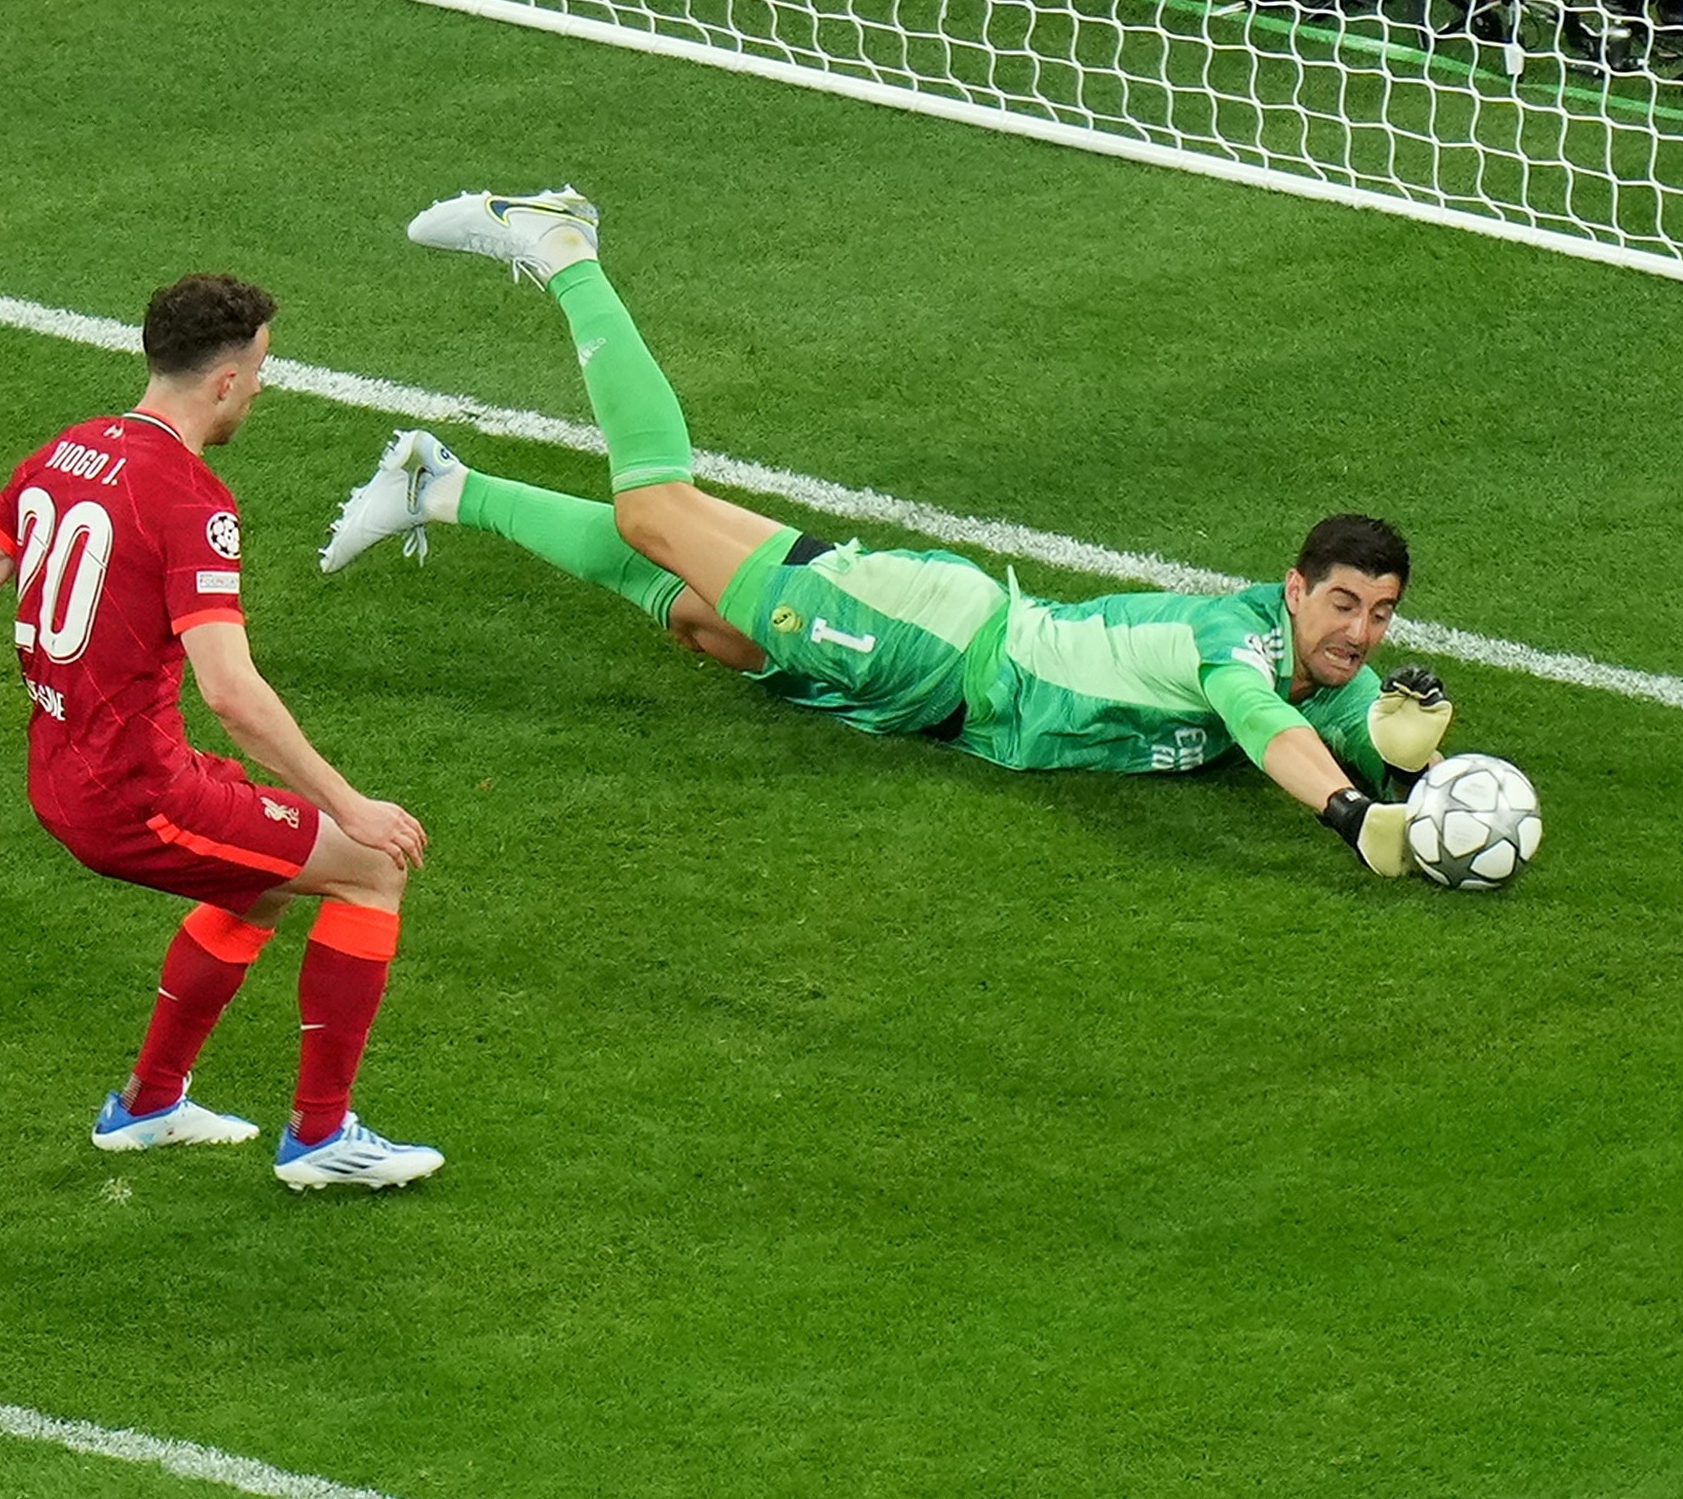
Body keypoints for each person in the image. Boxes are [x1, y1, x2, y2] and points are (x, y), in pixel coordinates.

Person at [322, 189, 1452, 877]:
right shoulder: (1240, 645)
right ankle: (565, 248)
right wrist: (1351, 816)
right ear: (1293, 589)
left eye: (1380, 613)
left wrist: (1422, 767)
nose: (1359, 631)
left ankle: (440, 485)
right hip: (930, 641)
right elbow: (1267, 732)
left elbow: (1360, 729)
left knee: (710, 630)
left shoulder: (1323, 674)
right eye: (1344, 604)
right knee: (655, 512)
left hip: (934, 696)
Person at [1, 273, 443, 1189]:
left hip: (70, 769)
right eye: (262, 367)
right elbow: (232, 693)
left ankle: (151, 1105)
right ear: (225, 380)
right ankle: (321, 1138)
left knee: (266, 881)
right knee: (370, 868)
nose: (264, 384)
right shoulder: (192, 499)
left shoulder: (62, 453)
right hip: (135, 794)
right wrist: (351, 803)